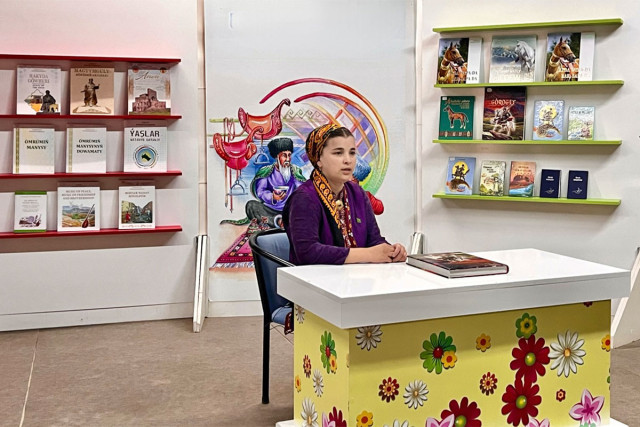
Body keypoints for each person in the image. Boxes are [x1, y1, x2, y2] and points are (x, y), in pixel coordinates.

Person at [283, 124, 407, 265]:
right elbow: (308, 253)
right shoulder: (304, 198)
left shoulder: (357, 193)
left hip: (357, 275)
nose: (348, 160)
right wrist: (368, 254)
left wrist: (392, 252)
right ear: (318, 159)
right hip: (315, 278)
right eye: (338, 153)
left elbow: (374, 240)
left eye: (352, 153)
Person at [244, 137, 305, 228]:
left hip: (290, 209)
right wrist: (272, 197)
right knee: (251, 206)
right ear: (277, 156)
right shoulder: (267, 171)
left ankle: (286, 220)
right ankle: (278, 221)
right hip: (271, 209)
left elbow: (302, 189)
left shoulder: (294, 170)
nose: (287, 159)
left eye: (289, 155)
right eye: (284, 155)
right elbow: (260, 192)